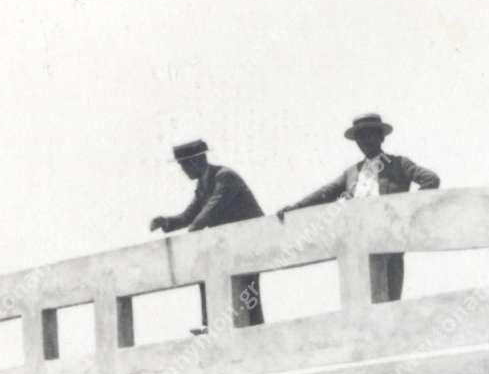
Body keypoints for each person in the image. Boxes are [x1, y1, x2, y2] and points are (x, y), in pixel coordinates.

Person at [277, 113, 440, 301]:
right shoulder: (352, 173)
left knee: (389, 304)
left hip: (389, 242)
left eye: (371, 134)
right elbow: (326, 192)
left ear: (381, 137)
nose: (366, 141)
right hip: (357, 246)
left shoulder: (398, 164)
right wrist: (296, 207)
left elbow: (431, 180)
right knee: (360, 302)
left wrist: (406, 212)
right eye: (360, 137)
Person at [150, 139, 265, 325]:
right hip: (230, 245)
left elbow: (211, 210)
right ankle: (211, 323)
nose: (183, 170)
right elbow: (190, 215)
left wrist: (194, 230)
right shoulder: (203, 184)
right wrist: (167, 222)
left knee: (247, 294)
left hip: (249, 243)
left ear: (196, 161)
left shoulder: (224, 177)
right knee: (209, 275)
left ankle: (252, 330)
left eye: (184, 165)